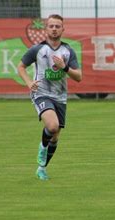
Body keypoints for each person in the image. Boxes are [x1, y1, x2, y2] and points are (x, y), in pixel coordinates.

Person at [17, 14, 82, 180]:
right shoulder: (38, 49)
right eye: (51, 26)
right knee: (52, 126)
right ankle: (42, 146)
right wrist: (28, 82)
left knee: (55, 136)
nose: (54, 29)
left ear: (63, 29)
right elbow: (21, 66)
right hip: (41, 93)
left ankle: (42, 168)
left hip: (60, 97)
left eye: (57, 26)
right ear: (46, 29)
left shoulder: (68, 51)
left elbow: (78, 77)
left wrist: (64, 67)